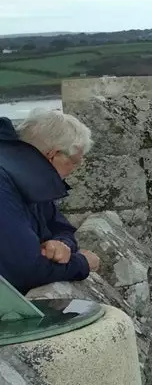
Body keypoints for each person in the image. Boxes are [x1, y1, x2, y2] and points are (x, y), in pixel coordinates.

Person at [0, 109, 100, 293]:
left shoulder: (28, 175)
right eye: (75, 162)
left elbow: (61, 227)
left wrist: (62, 245)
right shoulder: (4, 183)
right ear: (52, 155)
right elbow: (23, 269)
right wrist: (82, 263)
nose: (75, 169)